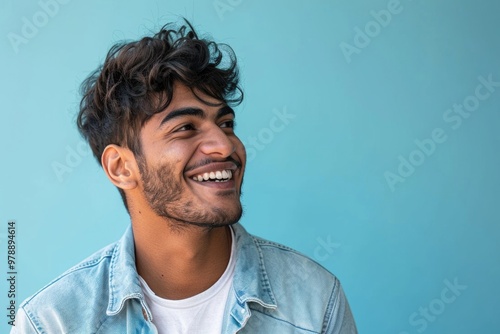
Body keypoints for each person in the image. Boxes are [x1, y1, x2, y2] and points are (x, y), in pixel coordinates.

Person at [12, 20, 357, 334]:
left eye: (226, 124)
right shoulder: (53, 322)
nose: (225, 146)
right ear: (120, 167)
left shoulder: (316, 303)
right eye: (186, 128)